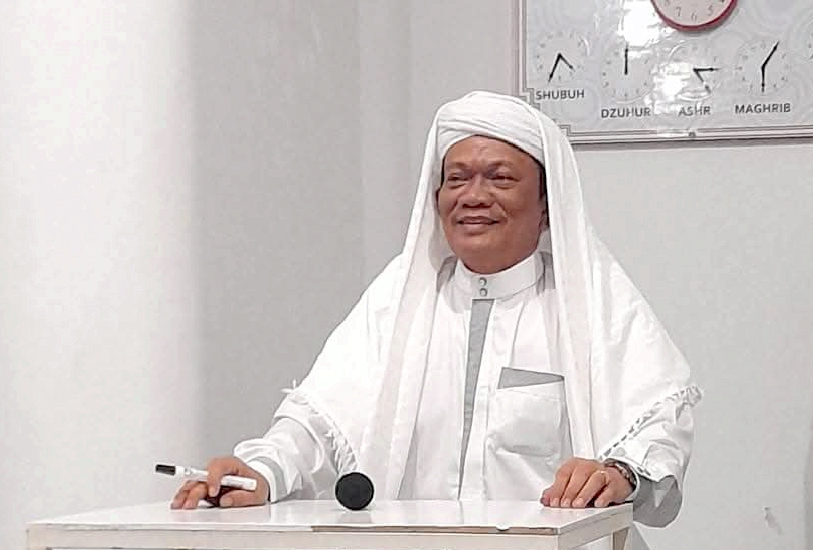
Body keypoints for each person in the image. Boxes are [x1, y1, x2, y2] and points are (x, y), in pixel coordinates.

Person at [171, 91, 702, 547]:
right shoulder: (401, 300)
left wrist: (619, 472)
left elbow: (657, 426)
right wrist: (260, 471)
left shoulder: (590, 303)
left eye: (499, 178)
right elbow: (319, 422)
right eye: (457, 179)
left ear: (546, 205)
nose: (474, 197)